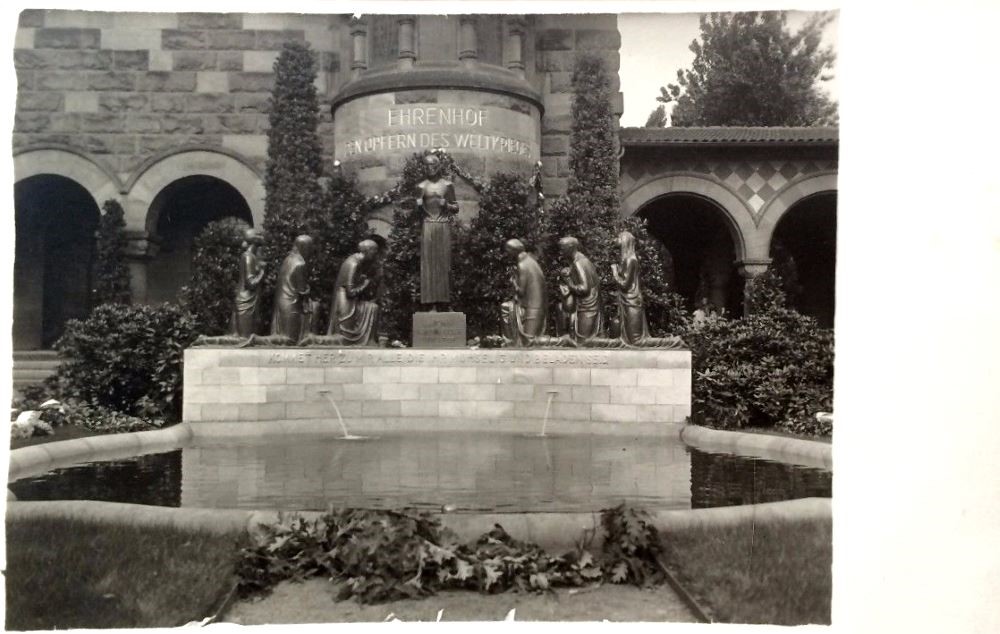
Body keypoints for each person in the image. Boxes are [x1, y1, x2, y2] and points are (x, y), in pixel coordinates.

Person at [415, 153, 458, 311]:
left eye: (432, 165)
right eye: (426, 165)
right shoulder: (421, 187)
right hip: (428, 226)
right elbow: (418, 213)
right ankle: (431, 304)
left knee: (444, 263)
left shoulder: (447, 185)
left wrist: (446, 204)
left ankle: (446, 304)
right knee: (429, 265)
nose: (429, 168)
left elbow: (456, 208)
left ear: (438, 166)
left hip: (443, 225)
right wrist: (418, 206)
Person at [325, 240, 381, 346]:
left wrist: (360, 280)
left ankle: (370, 341)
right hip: (347, 307)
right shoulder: (353, 264)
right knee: (373, 308)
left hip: (350, 302)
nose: (376, 254)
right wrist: (365, 284)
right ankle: (367, 341)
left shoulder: (357, 261)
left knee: (372, 306)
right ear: (367, 251)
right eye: (374, 251)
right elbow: (350, 293)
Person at [500, 239, 547, 346]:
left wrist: (513, 282)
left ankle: (562, 341)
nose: (506, 254)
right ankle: (510, 341)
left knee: (529, 341)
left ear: (513, 251)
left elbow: (521, 291)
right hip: (534, 305)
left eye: (507, 251)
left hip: (533, 307)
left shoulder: (523, 265)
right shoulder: (531, 261)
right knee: (505, 308)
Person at [558, 236, 603, 343]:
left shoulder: (579, 263)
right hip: (586, 307)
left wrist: (569, 283)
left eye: (562, 248)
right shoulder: (579, 260)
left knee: (583, 342)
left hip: (588, 308)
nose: (561, 252)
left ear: (570, 247)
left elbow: (584, 289)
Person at [271, 234, 315, 343]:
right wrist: (308, 290)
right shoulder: (300, 263)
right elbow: (302, 291)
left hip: (281, 303)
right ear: (304, 247)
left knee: (283, 338)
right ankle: (256, 340)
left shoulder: (288, 259)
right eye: (310, 248)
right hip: (292, 305)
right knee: (290, 339)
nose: (311, 252)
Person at [611, 230, 651, 345]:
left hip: (632, 301)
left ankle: (673, 342)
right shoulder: (626, 259)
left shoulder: (631, 260)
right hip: (626, 300)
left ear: (624, 241)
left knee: (636, 341)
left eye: (619, 238)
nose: (616, 240)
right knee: (628, 340)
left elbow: (625, 285)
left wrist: (614, 272)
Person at [232, 228, 265, 338]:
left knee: (249, 340)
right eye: (259, 235)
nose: (262, 237)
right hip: (246, 303)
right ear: (254, 240)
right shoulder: (248, 257)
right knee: (243, 339)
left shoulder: (252, 257)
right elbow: (250, 283)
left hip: (251, 302)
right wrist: (262, 272)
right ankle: (204, 341)